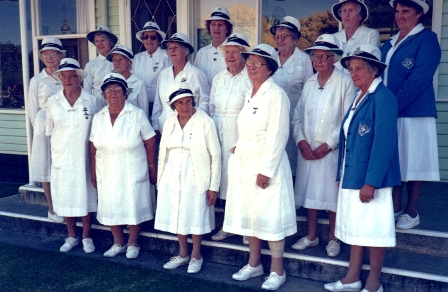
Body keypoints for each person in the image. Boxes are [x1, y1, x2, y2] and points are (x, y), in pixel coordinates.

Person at [324, 44, 400, 292]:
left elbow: (384, 144)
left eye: (358, 69)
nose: (353, 73)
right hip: (352, 175)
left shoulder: (383, 97)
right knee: (356, 229)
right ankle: (352, 277)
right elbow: (348, 139)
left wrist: (372, 182)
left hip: (370, 181)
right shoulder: (360, 96)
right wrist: (340, 175)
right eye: (351, 69)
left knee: (374, 231)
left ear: (373, 71)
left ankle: (373, 282)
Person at [223, 44, 296, 291]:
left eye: (258, 63)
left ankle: (278, 270)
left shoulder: (276, 95)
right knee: (252, 215)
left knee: (271, 218)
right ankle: (254, 264)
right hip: (245, 165)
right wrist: (238, 147)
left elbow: (278, 134)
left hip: (267, 168)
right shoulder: (249, 93)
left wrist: (266, 170)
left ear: (270, 69)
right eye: (250, 62)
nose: (252, 67)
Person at [291, 34, 356, 257]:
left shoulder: (344, 81)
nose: (317, 61)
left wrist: (329, 145)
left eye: (322, 57)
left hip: (330, 152)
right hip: (308, 150)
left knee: (330, 196)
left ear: (333, 58)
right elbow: (298, 116)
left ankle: (333, 237)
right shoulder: (309, 83)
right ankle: (311, 236)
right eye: (314, 57)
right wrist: (301, 141)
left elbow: (348, 118)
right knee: (309, 192)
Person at [381, 0, 441, 230]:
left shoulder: (427, 39)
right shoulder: (390, 43)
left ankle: (412, 211)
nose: (400, 16)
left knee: (414, 162)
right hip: (393, 112)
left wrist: (390, 105)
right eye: (397, 11)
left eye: (405, 11)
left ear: (419, 14)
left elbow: (420, 79)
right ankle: (395, 209)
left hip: (415, 112)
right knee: (396, 160)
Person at [155, 82, 221, 274]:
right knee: (178, 214)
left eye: (188, 102)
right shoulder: (169, 122)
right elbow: (162, 152)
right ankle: (183, 253)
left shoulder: (205, 121)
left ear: (194, 102)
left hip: (196, 174)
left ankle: (196, 255)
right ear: (173, 106)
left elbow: (215, 155)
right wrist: (161, 179)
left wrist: (213, 187)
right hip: (172, 173)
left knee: (195, 214)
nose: (185, 107)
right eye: (180, 103)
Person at [89, 73, 157, 260]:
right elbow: (93, 146)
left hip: (131, 168)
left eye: (117, 90)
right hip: (107, 169)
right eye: (108, 90)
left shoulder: (136, 114)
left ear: (125, 94)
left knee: (132, 203)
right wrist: (93, 171)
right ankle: (118, 241)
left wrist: (152, 166)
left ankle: (133, 241)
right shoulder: (99, 117)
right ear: (104, 95)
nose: (113, 93)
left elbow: (150, 141)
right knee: (110, 204)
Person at [46, 58, 98, 253]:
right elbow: (50, 132)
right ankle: (71, 236)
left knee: (85, 197)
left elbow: (97, 130)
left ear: (79, 78)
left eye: (72, 76)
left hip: (84, 158)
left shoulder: (91, 100)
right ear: (60, 78)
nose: (68, 79)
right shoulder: (53, 101)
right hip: (63, 158)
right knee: (67, 197)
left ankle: (86, 236)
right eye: (64, 76)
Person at [209, 33, 252, 244]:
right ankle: (227, 225)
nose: (231, 56)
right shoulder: (218, 78)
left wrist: (243, 140)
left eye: (235, 52)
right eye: (227, 52)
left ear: (244, 55)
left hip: (239, 135)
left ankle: (244, 227)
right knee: (223, 179)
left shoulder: (250, 78)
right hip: (218, 132)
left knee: (241, 180)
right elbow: (210, 108)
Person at [270, 16, 313, 177]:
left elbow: (309, 92)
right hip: (272, 117)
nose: (280, 41)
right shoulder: (270, 58)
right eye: (277, 37)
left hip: (294, 118)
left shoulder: (304, 60)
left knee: (293, 161)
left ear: (295, 39)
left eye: (284, 37)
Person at [27, 37, 65, 224]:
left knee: (62, 165)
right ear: (42, 57)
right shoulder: (37, 80)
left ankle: (66, 205)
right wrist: (41, 130)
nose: (49, 57)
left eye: (53, 53)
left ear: (60, 55)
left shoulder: (67, 75)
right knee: (46, 167)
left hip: (64, 125)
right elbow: (33, 109)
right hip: (44, 126)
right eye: (45, 54)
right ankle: (52, 208)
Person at [152, 32, 210, 136]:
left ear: (186, 52)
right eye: (170, 48)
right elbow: (158, 104)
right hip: (165, 128)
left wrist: (193, 118)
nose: (172, 50)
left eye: (176, 47)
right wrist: (156, 126)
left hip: (190, 129)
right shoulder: (163, 74)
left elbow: (206, 102)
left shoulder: (196, 73)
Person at [133, 21, 171, 117]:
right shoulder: (137, 58)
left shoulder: (166, 56)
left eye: (153, 37)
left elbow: (168, 81)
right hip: (139, 103)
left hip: (159, 104)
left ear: (159, 40)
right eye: (145, 37)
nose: (149, 40)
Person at [331, 0, 380, 72]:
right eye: (344, 11)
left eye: (351, 10)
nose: (347, 14)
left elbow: (370, 66)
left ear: (360, 16)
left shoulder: (371, 34)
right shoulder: (333, 38)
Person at [106, 45, 149, 117]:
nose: (117, 63)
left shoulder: (139, 83)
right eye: (114, 60)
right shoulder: (109, 83)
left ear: (129, 62)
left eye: (120, 59)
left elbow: (144, 111)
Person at [194, 6, 233, 86]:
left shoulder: (232, 53)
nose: (216, 28)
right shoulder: (202, 53)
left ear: (227, 29)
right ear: (209, 27)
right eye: (213, 24)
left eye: (220, 25)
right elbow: (196, 78)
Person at [84, 26, 118, 112]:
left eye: (103, 40)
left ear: (111, 42)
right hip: (98, 106)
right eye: (97, 41)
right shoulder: (90, 65)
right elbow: (87, 91)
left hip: (118, 102)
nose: (99, 44)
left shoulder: (119, 61)